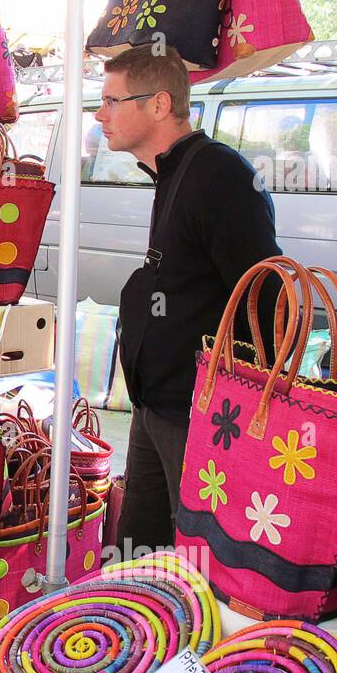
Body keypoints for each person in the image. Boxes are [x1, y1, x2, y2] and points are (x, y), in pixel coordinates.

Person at [101, 45, 281, 550]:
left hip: (200, 413)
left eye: (112, 101)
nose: (101, 114)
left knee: (200, 556)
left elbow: (264, 291)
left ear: (158, 104)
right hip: (155, 405)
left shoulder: (218, 176)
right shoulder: (174, 171)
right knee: (139, 548)